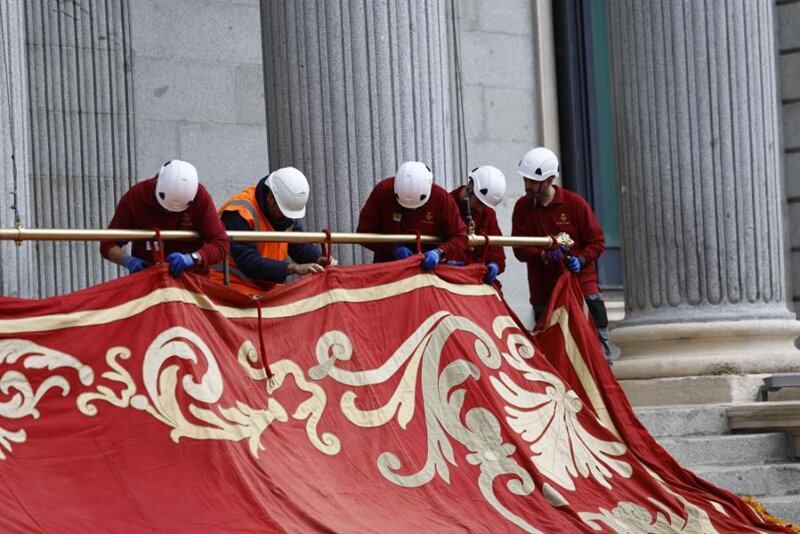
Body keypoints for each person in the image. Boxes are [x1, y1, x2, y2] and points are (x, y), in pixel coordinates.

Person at [511, 147, 612, 364]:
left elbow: (597, 242)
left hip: (583, 290)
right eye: (526, 180)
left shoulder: (574, 204)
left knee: (597, 355)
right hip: (545, 296)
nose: (527, 186)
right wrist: (544, 256)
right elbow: (519, 249)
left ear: (548, 181)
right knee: (553, 358)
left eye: (532, 181)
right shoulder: (522, 208)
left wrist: (581, 259)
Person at [209, 167, 335, 295]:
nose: (287, 217)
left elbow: (298, 245)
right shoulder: (240, 212)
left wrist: (318, 258)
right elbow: (248, 261)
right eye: (283, 211)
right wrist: (293, 268)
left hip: (265, 288)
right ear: (270, 198)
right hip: (230, 287)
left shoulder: (284, 213)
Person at [100, 159, 230, 278]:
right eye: (164, 209)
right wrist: (127, 261)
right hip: (148, 280)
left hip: (192, 283)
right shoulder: (136, 197)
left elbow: (221, 243)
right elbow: (108, 244)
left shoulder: (200, 197)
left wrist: (193, 258)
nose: (169, 213)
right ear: (157, 184)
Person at [356, 161, 467, 269]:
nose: (411, 211)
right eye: (405, 208)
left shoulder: (441, 198)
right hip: (389, 269)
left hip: (428, 272)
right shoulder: (383, 192)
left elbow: (461, 237)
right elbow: (364, 232)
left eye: (417, 208)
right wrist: (392, 248)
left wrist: (439, 253)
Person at [449, 165, 507, 285]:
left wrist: (494, 265)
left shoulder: (488, 214)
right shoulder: (446, 206)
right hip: (448, 281)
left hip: (478, 283)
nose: (480, 209)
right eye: (480, 202)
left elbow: (497, 251)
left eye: (485, 205)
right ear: (470, 186)